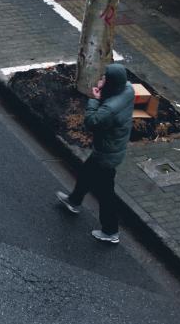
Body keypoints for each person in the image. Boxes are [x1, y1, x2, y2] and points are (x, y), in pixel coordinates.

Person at [56, 63, 134, 244]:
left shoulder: (109, 109)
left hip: (106, 154)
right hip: (112, 148)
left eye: (105, 77)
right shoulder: (128, 90)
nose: (102, 79)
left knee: (106, 194)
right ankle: (74, 201)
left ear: (112, 83)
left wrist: (94, 98)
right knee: (86, 172)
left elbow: (92, 121)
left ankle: (110, 231)